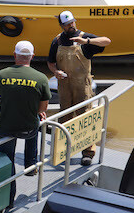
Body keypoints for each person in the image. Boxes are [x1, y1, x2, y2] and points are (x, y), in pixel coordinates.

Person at [47, 10, 111, 165]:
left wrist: (87, 42)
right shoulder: (57, 41)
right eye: (67, 24)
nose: (71, 26)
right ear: (62, 25)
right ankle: (62, 150)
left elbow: (107, 41)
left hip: (82, 85)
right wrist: (55, 72)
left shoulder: (85, 37)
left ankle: (88, 152)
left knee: (85, 117)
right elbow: (50, 62)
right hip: (64, 86)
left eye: (72, 22)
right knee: (65, 116)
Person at [0, 41, 51, 206]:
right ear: (32, 56)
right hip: (28, 129)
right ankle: (31, 165)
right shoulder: (41, 78)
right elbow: (43, 108)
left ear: (15, 55)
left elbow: (1, 96)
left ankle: (8, 199)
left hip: (6, 126)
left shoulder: (3, 74)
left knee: (7, 161)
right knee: (36, 124)